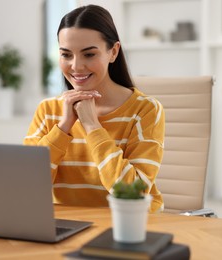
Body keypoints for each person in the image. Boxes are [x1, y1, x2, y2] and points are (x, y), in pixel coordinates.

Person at [24, 5, 165, 213]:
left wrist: (92, 126)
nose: (76, 66)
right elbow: (26, 185)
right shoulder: (48, 110)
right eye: (66, 55)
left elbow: (134, 193)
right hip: (66, 225)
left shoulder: (145, 110)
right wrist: (62, 129)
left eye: (89, 54)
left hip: (129, 224)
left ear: (113, 52)